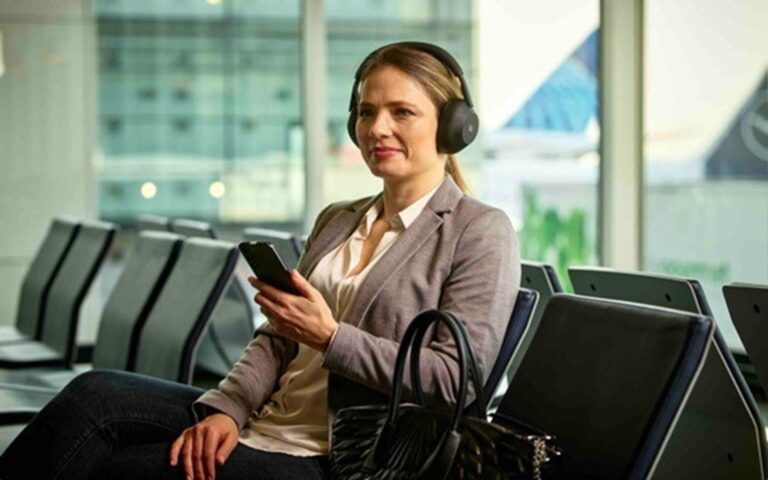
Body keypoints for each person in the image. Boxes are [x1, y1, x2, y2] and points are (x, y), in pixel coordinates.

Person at [0, 42, 519, 480]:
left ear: (454, 127)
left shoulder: (478, 230)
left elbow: (455, 381)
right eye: (365, 112)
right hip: (269, 416)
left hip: (343, 451)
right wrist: (230, 409)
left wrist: (331, 337)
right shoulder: (338, 219)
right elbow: (277, 337)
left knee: (118, 467)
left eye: (401, 112)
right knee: (94, 395)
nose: (377, 128)